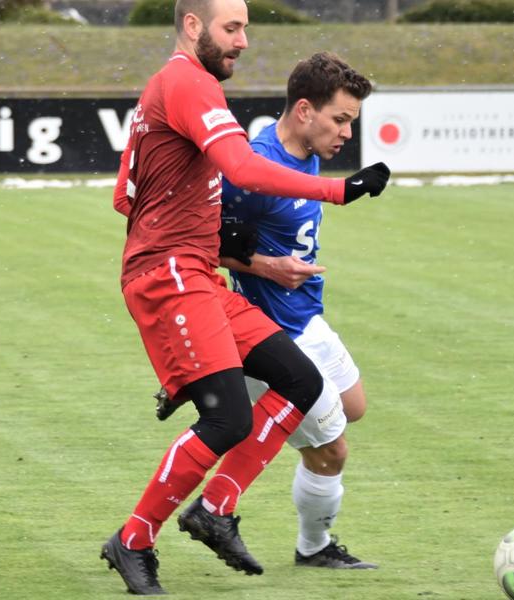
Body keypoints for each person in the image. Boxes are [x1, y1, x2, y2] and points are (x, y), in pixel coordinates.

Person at [101, 0, 391, 595]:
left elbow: (126, 194)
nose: (244, 42)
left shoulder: (182, 86)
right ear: (192, 26)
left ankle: (215, 509)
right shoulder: (187, 82)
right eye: (232, 29)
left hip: (196, 276)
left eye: (245, 30)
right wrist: (338, 191)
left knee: (301, 381)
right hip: (171, 276)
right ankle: (132, 540)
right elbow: (242, 166)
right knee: (229, 417)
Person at [219, 52, 378, 570]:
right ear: (304, 110)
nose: (346, 134)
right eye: (341, 120)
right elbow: (201, 244)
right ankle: (314, 547)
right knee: (332, 450)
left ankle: (256, 414)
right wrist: (265, 268)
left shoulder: (307, 150)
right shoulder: (253, 167)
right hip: (270, 335)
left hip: (306, 319)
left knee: (352, 406)